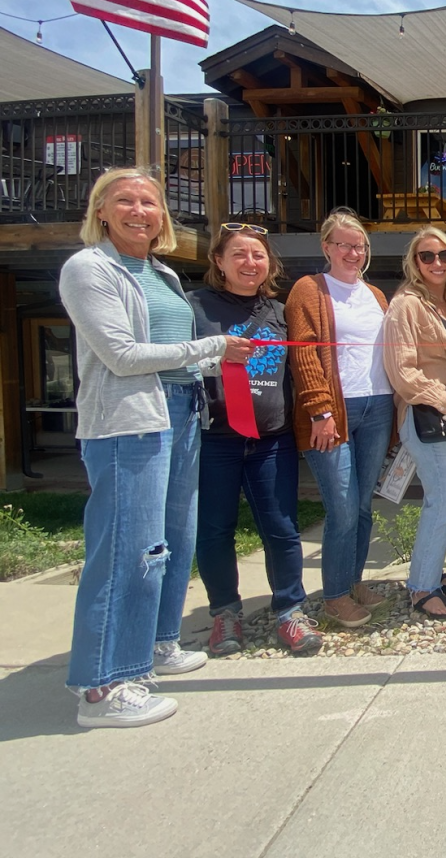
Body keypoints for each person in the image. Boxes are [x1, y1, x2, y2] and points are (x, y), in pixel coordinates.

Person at [59, 167, 255, 727]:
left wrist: (213, 357)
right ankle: (102, 686)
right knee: (129, 550)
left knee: (172, 539)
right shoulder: (88, 269)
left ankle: (157, 646)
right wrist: (214, 344)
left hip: (182, 412)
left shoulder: (161, 272)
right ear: (101, 210)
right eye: (125, 200)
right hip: (128, 423)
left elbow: (176, 351)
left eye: (149, 201)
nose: (139, 210)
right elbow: (121, 355)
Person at [191, 223, 322, 656]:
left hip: (271, 440)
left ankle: (289, 610)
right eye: (240, 255)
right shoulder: (195, 307)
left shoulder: (280, 311)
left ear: (270, 264)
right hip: (217, 441)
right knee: (215, 530)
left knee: (282, 529)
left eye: (258, 255)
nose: (250, 263)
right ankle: (225, 613)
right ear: (219, 261)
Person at [285, 208, 393, 629]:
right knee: (343, 509)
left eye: (359, 245)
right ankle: (333, 597)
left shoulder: (375, 296)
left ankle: (352, 581)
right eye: (344, 245)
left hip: (377, 406)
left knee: (364, 506)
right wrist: (320, 411)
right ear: (326, 247)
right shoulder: (308, 290)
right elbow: (304, 354)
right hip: (334, 412)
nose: (352, 252)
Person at [382, 226, 446, 621]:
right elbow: (401, 372)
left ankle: (433, 571)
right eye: (427, 256)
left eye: (444, 255)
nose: (436, 262)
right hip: (427, 415)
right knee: (445, 501)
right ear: (414, 262)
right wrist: (444, 399)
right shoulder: (405, 305)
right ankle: (422, 587)